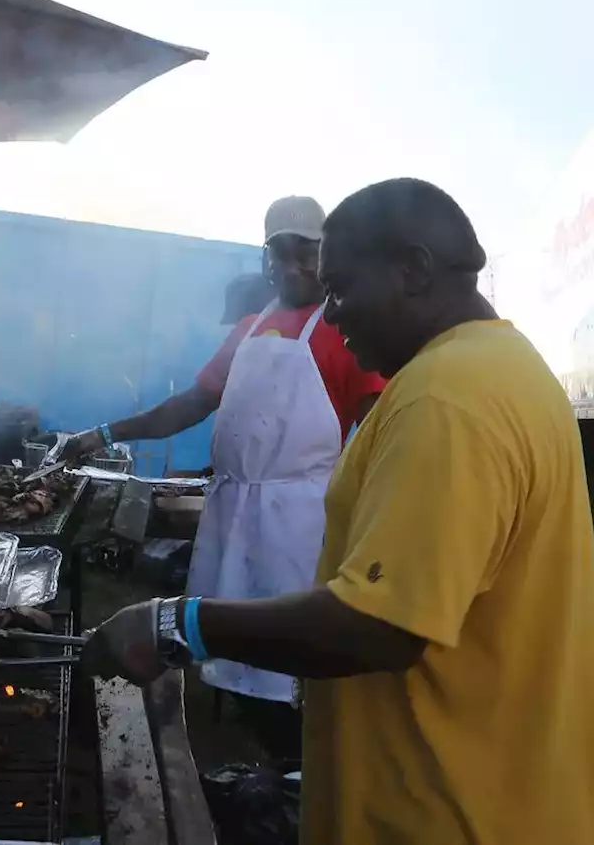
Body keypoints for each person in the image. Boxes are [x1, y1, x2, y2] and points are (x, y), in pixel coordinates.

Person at [83, 178, 593, 845]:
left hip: (446, 810)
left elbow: (379, 625)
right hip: (484, 779)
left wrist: (176, 625)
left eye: (342, 288)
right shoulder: (503, 365)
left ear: (412, 269)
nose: (334, 311)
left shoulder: (447, 399)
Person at [62, 196, 386, 758]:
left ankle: (293, 769)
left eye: (305, 255)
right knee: (227, 644)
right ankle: (261, 750)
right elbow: (189, 405)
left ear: (326, 256)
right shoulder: (249, 328)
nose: (292, 269)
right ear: (265, 258)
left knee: (289, 661)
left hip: (299, 522)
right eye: (280, 255)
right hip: (233, 513)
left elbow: (380, 427)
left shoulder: (342, 332)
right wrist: (102, 435)